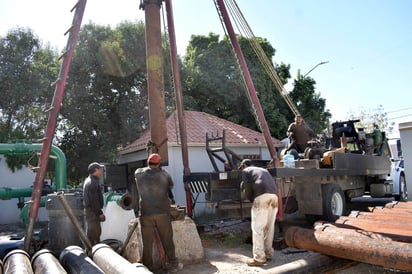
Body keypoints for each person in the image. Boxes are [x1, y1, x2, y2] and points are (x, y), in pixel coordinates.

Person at [134, 153, 183, 272]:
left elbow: (139, 171)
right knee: (167, 239)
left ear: (148, 162)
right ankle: (173, 264)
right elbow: (170, 187)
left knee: (147, 242)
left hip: (145, 213)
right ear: (159, 163)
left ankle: (148, 266)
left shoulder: (139, 174)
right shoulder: (164, 175)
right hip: (162, 213)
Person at [239, 159, 278, 267]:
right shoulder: (263, 170)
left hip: (261, 196)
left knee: (257, 228)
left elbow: (247, 189)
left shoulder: (246, 170)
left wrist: (251, 199)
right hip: (274, 197)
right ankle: (269, 254)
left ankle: (259, 258)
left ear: (244, 165)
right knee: (269, 227)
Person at [83, 162, 106, 245]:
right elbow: (94, 201)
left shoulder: (89, 180)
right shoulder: (93, 183)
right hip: (93, 212)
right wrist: (100, 213)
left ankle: (91, 252)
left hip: (91, 211)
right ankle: (93, 253)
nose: (101, 171)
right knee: (95, 234)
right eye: (100, 169)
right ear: (96, 170)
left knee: (92, 233)